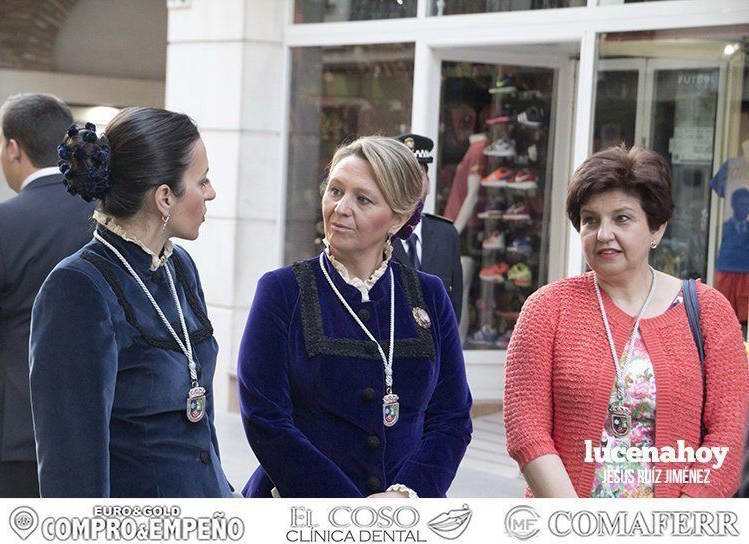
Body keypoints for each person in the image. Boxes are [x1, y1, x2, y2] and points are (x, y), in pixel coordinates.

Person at [504, 144, 749, 498]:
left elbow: (727, 433)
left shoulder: (709, 310)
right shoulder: (547, 308)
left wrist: (684, 523)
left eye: (622, 218)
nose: (603, 234)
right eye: (591, 220)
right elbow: (526, 428)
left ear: (657, 229)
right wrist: (574, 524)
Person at [238, 136, 472, 498]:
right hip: (301, 513)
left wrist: (405, 494)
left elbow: (451, 418)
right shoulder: (282, 291)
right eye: (335, 191)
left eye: (362, 199)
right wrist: (348, 511)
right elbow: (265, 418)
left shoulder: (429, 294)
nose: (340, 208)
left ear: (398, 218)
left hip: (403, 518)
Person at [29, 107, 232, 497]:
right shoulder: (78, 286)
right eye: (202, 181)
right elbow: (70, 464)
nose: (211, 192)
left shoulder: (180, 266)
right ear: (164, 198)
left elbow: (199, 420)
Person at [0, 93, 95, 497]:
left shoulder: (5, 222)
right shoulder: (109, 216)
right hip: (98, 426)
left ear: (14, 148)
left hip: (18, 429)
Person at [392, 133, 463, 323]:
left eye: (419, 174)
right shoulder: (377, 233)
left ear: (429, 184)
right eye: (406, 175)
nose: (413, 182)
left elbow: (454, 307)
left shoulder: (446, 235)